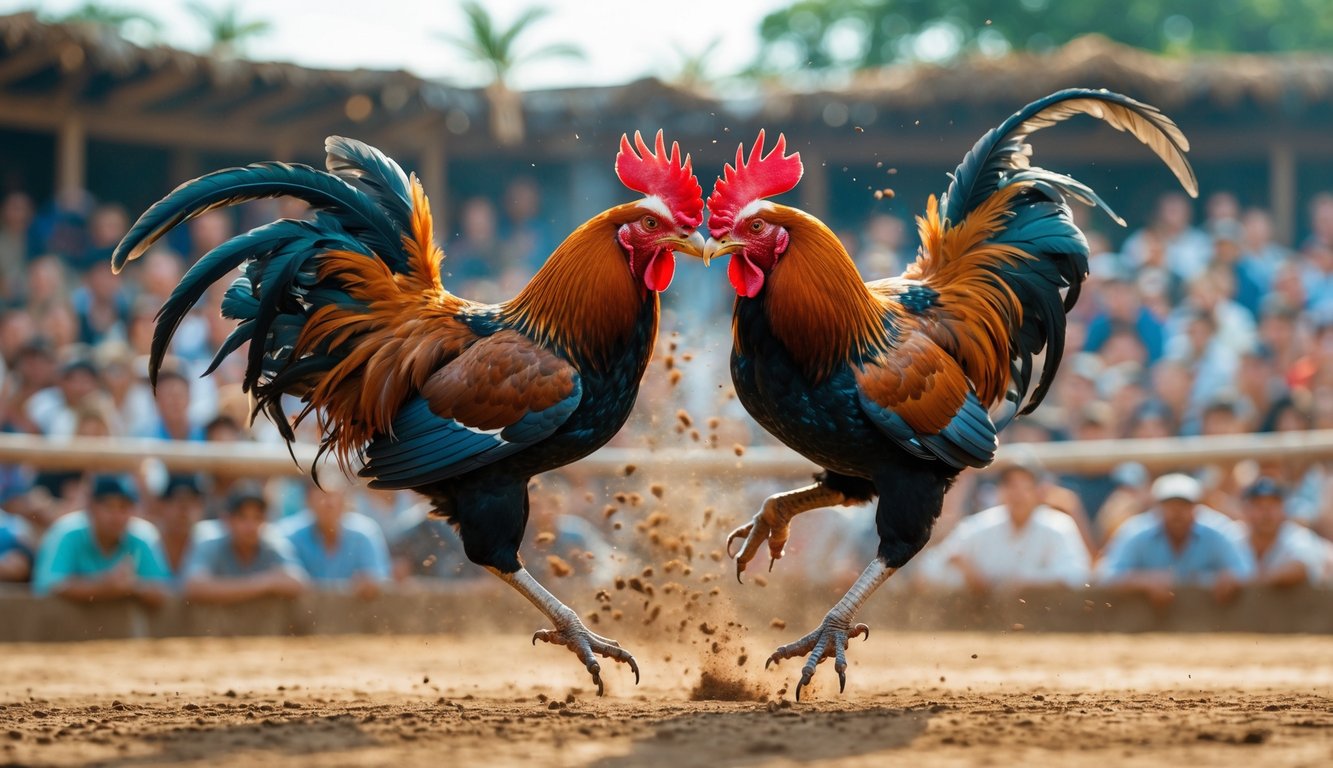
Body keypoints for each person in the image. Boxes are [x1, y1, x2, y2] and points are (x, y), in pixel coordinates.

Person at [915, 462, 1090, 591]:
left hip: (1049, 621)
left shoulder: (1058, 526)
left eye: (1025, 487)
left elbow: (1078, 575)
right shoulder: (981, 525)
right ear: (1001, 491)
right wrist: (968, 573)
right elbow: (928, 569)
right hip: (981, 620)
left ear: (1038, 492)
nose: (1018, 494)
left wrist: (1028, 583)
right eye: (1011, 485)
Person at [1096, 473, 1253, 606]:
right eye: (1170, 505)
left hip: (1211, 621)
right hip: (1149, 623)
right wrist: (1143, 581)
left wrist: (1228, 579)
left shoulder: (1219, 530)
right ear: (1158, 507)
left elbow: (1248, 573)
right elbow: (1104, 575)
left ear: (1195, 507)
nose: (1177, 512)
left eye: (1184, 505)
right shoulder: (1135, 531)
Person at [31, 474, 172, 605]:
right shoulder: (66, 532)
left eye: (124, 507)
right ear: (91, 507)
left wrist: (133, 586)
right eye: (109, 506)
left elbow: (163, 591)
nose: (116, 516)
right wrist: (105, 587)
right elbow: (48, 585)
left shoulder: (143, 536)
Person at [182, 484, 307, 604]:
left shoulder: (272, 546)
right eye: (242, 517)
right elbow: (193, 586)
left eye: (257, 517)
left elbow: (299, 582)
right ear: (227, 519)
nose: (250, 526)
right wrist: (266, 583)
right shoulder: (211, 545)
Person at [278, 479, 391, 597]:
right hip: (301, 615)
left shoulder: (365, 533)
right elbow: (286, 576)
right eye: (322, 495)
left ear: (345, 501)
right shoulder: (288, 534)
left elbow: (379, 579)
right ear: (309, 501)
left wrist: (369, 583)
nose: (329, 503)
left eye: (334, 496)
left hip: (354, 613)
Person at [1233, 477, 1330, 587]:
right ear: (1246, 510)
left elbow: (1303, 566)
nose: (1266, 513)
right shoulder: (1234, 535)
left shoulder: (1296, 535)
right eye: (1259, 506)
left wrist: (1256, 582)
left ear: (1283, 509)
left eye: (1273, 505)